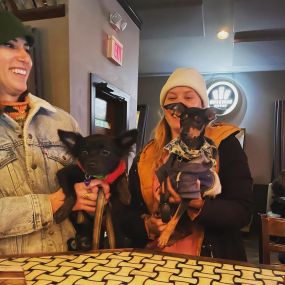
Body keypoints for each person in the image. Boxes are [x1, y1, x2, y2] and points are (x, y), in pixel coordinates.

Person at [0, 11, 110, 255]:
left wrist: (96, 189)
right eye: (9, 45)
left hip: (68, 267)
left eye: (26, 48)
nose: (25, 58)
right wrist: (54, 203)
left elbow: (87, 177)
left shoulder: (60, 121)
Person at [121, 67, 253, 261]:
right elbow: (126, 213)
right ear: (165, 109)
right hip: (155, 261)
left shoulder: (224, 144)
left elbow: (242, 212)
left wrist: (198, 204)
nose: (179, 103)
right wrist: (147, 226)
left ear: (201, 106)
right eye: (171, 97)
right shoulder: (147, 155)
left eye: (189, 97)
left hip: (210, 262)